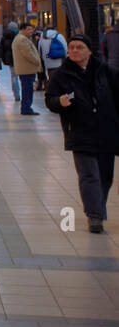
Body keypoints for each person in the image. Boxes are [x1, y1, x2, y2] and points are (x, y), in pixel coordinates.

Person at [45, 34, 119, 234]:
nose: (75, 51)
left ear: (88, 50)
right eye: (71, 47)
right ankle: (95, 216)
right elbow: (50, 100)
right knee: (89, 175)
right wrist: (59, 102)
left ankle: (97, 207)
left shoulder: (106, 72)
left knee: (105, 176)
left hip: (106, 131)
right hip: (79, 131)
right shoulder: (61, 75)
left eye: (79, 47)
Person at [13, 22, 43, 115]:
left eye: (31, 29)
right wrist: (37, 61)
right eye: (29, 29)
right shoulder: (22, 40)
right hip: (26, 69)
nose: (31, 31)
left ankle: (26, 107)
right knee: (27, 90)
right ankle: (26, 108)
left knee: (27, 89)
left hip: (25, 69)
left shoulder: (21, 38)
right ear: (23, 29)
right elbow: (28, 54)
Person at [1, 23, 20, 102]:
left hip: (10, 59)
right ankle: (19, 93)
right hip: (19, 58)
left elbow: (2, 50)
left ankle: (16, 94)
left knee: (13, 76)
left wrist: (4, 59)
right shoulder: (19, 36)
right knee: (21, 77)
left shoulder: (4, 37)